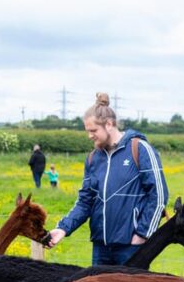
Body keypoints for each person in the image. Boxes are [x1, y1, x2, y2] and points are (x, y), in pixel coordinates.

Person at [47, 92, 167, 266]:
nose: (90, 136)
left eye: (93, 130)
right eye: (87, 131)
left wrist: (142, 234)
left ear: (109, 124)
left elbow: (159, 195)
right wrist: (63, 228)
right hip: (100, 248)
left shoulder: (140, 149)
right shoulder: (92, 159)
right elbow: (85, 202)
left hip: (131, 247)